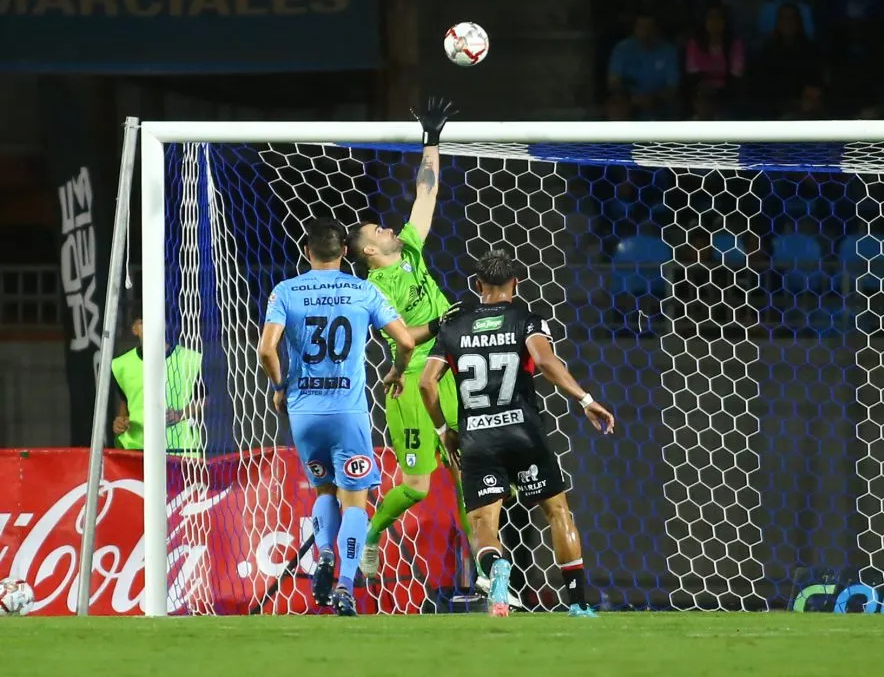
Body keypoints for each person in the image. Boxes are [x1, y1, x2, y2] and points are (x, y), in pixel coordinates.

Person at [346, 96, 499, 593]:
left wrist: (431, 139)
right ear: (370, 250)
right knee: (417, 487)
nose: (388, 226)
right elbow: (406, 339)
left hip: (450, 371)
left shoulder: (410, 246)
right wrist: (445, 323)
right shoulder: (375, 289)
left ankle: (483, 572)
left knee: (466, 473)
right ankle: (370, 534)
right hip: (410, 383)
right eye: (377, 229)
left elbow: (425, 195)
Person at [419, 250, 615, 617]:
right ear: (516, 284)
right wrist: (585, 399)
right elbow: (544, 361)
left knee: (482, 523)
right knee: (558, 513)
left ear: (477, 285)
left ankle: (496, 572)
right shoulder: (527, 320)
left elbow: (427, 383)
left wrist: (445, 430)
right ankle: (578, 603)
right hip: (524, 433)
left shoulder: (454, 326)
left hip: (477, 437)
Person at [257, 217, 416, 616]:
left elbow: (265, 350)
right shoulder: (364, 290)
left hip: (304, 411)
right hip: (348, 411)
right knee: (356, 502)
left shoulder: (285, 292)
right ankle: (345, 585)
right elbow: (406, 340)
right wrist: (397, 369)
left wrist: (280, 386)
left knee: (325, 491)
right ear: (345, 252)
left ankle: (324, 552)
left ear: (306, 252)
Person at [111, 303, 204, 454]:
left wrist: (180, 414)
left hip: (179, 450)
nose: (150, 327)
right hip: (136, 449)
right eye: (143, 323)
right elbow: (126, 402)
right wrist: (120, 421)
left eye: (154, 321)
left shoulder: (187, 359)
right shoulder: (122, 365)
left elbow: (204, 398)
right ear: (134, 329)